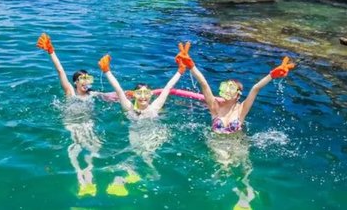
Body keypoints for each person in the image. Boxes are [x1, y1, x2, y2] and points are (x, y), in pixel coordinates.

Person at [177, 44, 295, 210]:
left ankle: (246, 196)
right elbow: (203, 84)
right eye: (224, 87)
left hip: (239, 142)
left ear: (237, 95)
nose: (225, 91)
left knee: (245, 168)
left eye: (230, 89)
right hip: (217, 142)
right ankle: (230, 193)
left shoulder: (241, 110)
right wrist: (192, 66)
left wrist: (271, 75)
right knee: (225, 165)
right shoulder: (214, 107)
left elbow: (255, 89)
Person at [97, 52, 187, 196]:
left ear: (151, 94)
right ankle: (127, 178)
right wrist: (107, 71)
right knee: (141, 155)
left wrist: (180, 71)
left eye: (146, 93)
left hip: (153, 136)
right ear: (134, 95)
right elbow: (119, 89)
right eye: (139, 93)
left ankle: (130, 177)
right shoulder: (129, 108)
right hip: (136, 136)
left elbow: (168, 88)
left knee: (147, 158)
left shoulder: (155, 107)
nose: (143, 96)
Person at [37, 33, 102, 197]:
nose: (86, 81)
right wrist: (51, 51)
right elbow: (60, 71)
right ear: (76, 82)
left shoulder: (93, 94)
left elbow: (114, 96)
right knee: (76, 146)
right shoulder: (70, 92)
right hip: (73, 123)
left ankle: (89, 173)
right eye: (82, 78)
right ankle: (79, 175)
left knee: (95, 146)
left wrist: (131, 94)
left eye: (87, 78)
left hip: (88, 123)